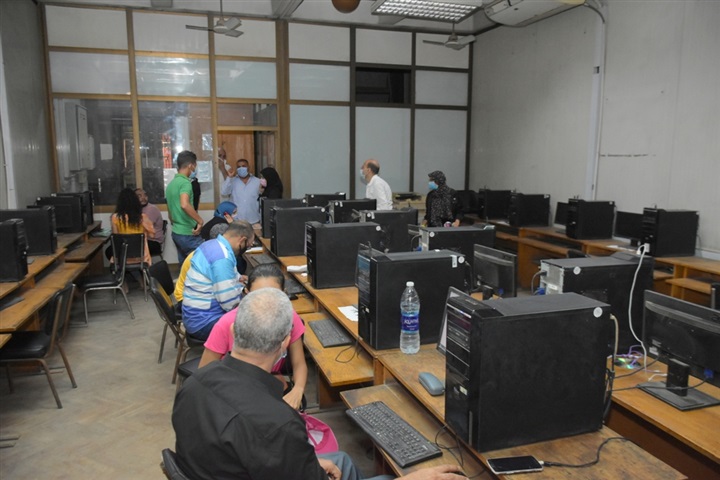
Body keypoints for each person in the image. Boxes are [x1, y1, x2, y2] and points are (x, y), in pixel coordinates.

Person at [172, 288, 467, 480]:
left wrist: (306, 467)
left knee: (341, 462)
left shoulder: (193, 386)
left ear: (235, 331)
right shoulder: (278, 424)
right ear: (284, 343)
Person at [198, 263, 307, 410]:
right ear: (247, 293)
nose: (265, 303)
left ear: (284, 294)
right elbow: (204, 372)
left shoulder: (290, 318)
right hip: (232, 388)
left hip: (268, 382)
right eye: (257, 296)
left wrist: (298, 389)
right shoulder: (226, 323)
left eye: (273, 296)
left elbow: (299, 363)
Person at [181, 221, 254, 340]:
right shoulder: (222, 258)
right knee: (259, 323)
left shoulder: (211, 245)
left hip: (194, 316)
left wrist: (240, 281)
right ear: (242, 240)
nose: (247, 248)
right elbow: (230, 304)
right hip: (204, 322)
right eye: (248, 245)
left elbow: (232, 278)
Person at [174, 223, 229, 307]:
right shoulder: (212, 257)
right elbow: (221, 286)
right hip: (185, 299)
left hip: (188, 293)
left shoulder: (206, 250)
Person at [166, 150, 204, 265]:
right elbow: (184, 204)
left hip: (176, 232)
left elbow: (170, 214)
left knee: (185, 266)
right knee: (204, 261)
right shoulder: (185, 183)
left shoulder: (171, 184)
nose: (195, 169)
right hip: (187, 233)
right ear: (191, 165)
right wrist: (200, 221)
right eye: (195, 166)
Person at [105, 187, 154, 266]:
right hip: (141, 257)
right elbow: (152, 235)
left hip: (122, 257)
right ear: (135, 202)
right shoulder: (142, 217)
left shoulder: (115, 217)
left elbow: (116, 237)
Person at [219, 156, 262, 227]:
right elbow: (223, 192)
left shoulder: (257, 182)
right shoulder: (232, 181)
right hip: (236, 220)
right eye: (239, 167)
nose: (241, 168)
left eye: (243, 166)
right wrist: (229, 177)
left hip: (254, 220)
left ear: (248, 167)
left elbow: (262, 198)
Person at [134, 188, 165, 257]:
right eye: (139, 196)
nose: (143, 198)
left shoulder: (151, 209)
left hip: (153, 242)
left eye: (145, 195)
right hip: (143, 240)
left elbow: (143, 229)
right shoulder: (136, 209)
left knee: (128, 246)